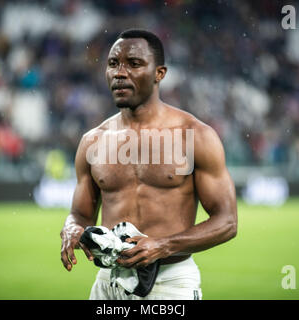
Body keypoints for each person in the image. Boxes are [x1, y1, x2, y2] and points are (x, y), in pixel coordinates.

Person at [60, 29, 237, 300]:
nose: (120, 73)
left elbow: (227, 222)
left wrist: (164, 245)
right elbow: (81, 214)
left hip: (170, 283)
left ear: (160, 74)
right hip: (108, 282)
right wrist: (72, 227)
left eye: (134, 64)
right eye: (112, 64)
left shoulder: (195, 136)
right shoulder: (92, 142)